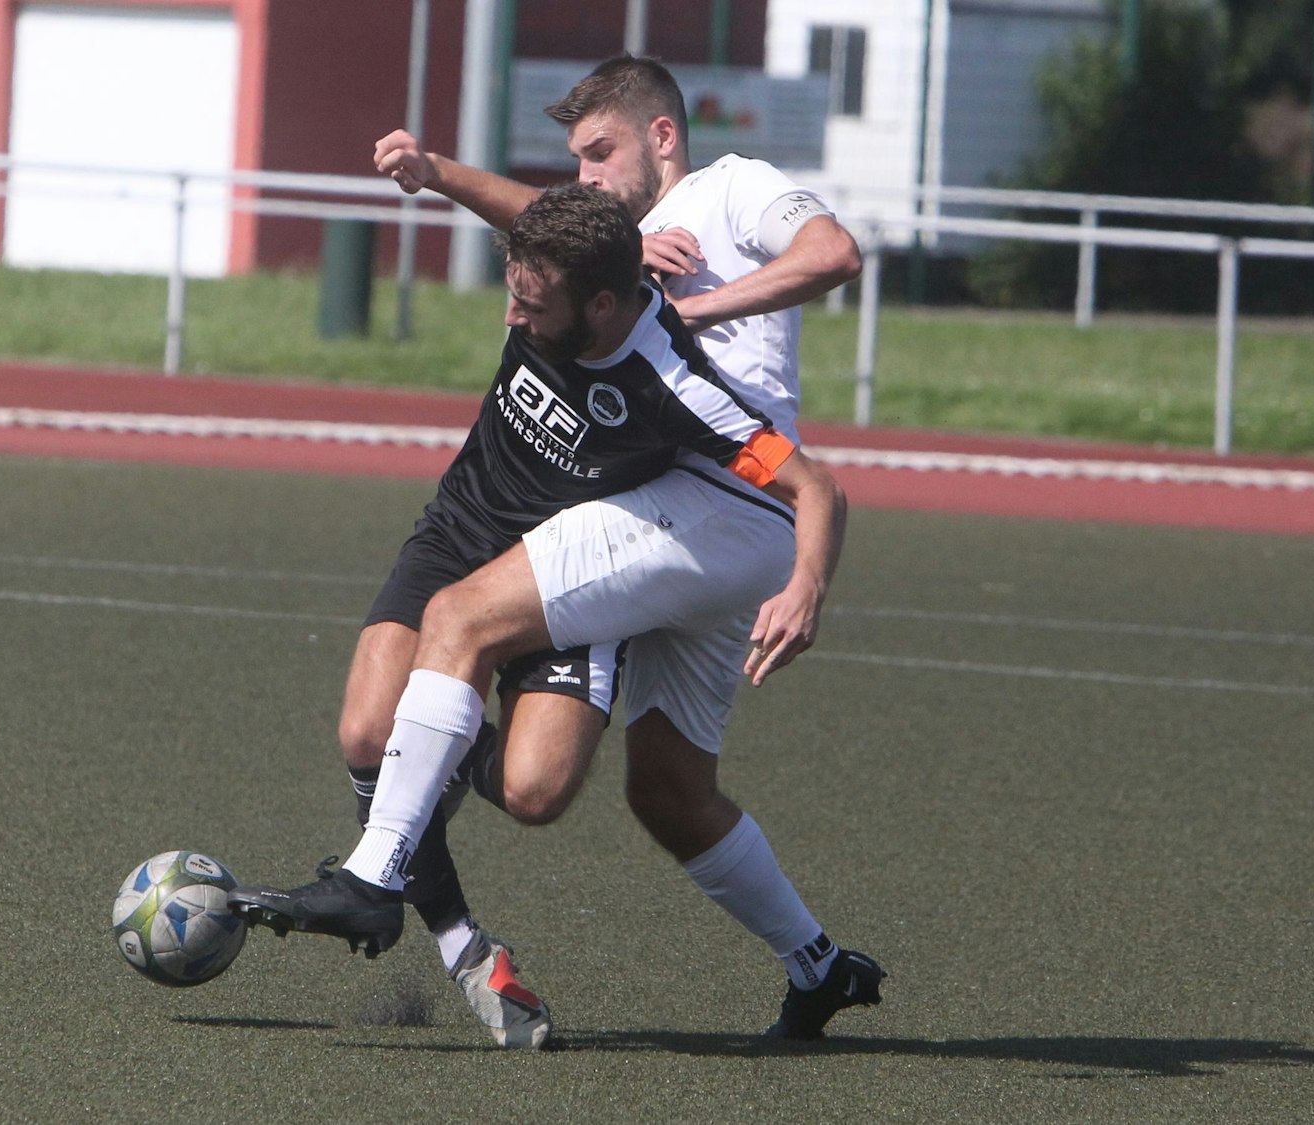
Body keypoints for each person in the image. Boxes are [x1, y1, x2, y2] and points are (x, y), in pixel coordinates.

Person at [234, 182, 869, 1046]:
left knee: (536, 790)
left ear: (600, 306)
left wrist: (804, 587)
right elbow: (525, 216)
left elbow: (812, 486)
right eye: (514, 294)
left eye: (534, 306)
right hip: (455, 532)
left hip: (557, 570)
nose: (515, 318)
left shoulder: (670, 379)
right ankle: (434, 926)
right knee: (366, 735)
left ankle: (385, 855)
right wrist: (434, 165)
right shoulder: (572, 269)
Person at [363, 57, 879, 1041]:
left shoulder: (734, 188)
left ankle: (374, 866)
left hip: (715, 500)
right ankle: (816, 966)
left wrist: (681, 310)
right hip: (720, 527)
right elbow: (543, 226)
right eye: (577, 159)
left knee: (462, 618)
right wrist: (439, 171)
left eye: (601, 152)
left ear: (663, 136)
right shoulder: (623, 240)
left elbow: (833, 253)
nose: (587, 174)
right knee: (669, 791)